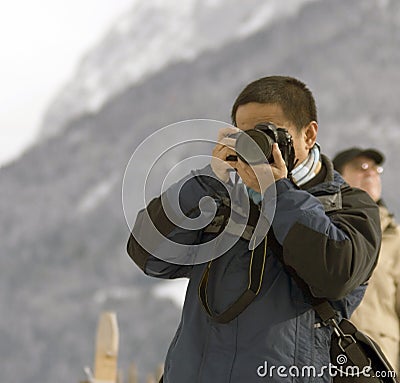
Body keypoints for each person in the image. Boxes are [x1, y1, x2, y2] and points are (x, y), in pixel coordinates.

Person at [127, 76, 381, 382]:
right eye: (246, 135)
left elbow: (334, 275)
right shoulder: (220, 198)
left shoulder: (348, 206)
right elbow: (148, 255)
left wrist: (277, 192)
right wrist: (207, 181)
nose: (258, 144)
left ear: (309, 135)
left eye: (270, 132)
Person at [333, 147, 400, 372]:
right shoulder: (319, 230)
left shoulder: (396, 238)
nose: (370, 172)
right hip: (328, 358)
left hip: (381, 360)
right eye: (360, 167)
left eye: (375, 168)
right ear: (338, 176)